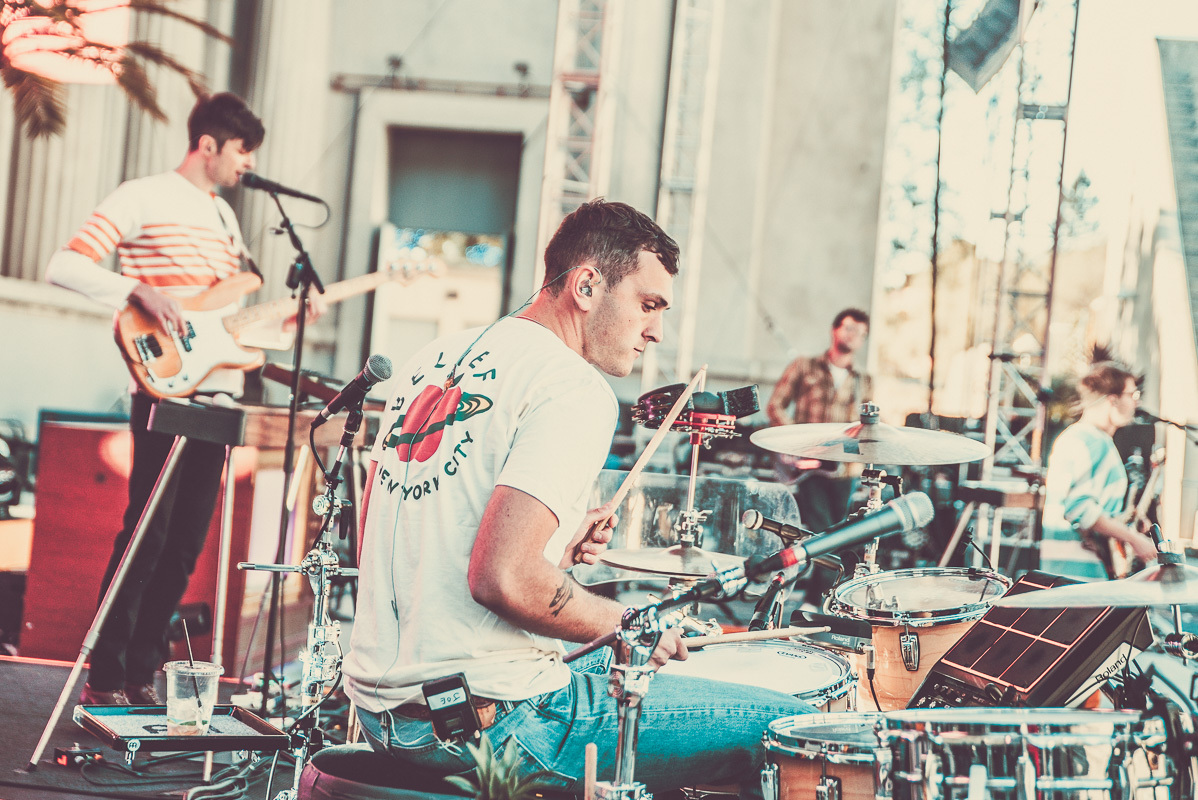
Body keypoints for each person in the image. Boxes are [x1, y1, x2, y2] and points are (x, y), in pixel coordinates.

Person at [344, 199, 813, 798]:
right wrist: (631, 623)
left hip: (384, 712)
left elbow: (403, 539)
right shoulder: (571, 385)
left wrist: (555, 556)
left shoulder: (429, 361)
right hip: (496, 724)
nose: (656, 331)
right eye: (648, 305)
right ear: (587, 284)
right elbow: (502, 579)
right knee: (789, 727)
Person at [45, 93, 310, 705]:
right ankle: (104, 673)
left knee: (188, 540)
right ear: (209, 145)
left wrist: (284, 324)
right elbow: (64, 263)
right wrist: (137, 288)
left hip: (218, 398)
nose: (247, 164)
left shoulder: (225, 218)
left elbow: (226, 323)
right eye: (242, 151)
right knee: (148, 532)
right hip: (164, 387)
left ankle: (140, 672)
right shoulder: (143, 195)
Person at [1041, 361, 1157, 580]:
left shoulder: (1083, 437)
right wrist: (1134, 538)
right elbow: (1080, 509)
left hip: (1071, 567)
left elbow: (1095, 507)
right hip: (1079, 570)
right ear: (1112, 400)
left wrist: (1128, 520)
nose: (1137, 402)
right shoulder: (1091, 441)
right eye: (1132, 395)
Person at [766, 308, 872, 533]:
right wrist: (797, 440)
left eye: (861, 333)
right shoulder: (804, 365)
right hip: (809, 464)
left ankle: (830, 569)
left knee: (839, 533)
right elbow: (775, 405)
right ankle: (826, 569)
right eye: (849, 328)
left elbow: (869, 423)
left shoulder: (864, 379)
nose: (853, 335)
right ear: (835, 330)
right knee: (819, 529)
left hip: (846, 468)